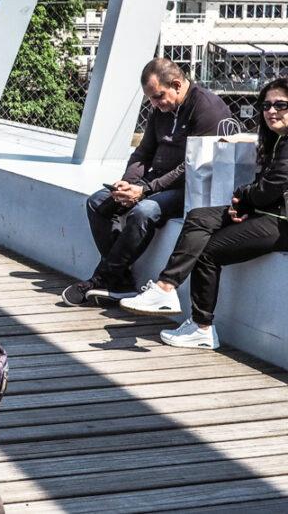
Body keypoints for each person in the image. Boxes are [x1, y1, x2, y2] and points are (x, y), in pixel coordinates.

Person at [118, 78, 288, 348]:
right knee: (198, 215)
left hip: (281, 224)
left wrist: (244, 198)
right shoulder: (277, 140)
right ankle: (166, 288)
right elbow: (268, 190)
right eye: (266, 105)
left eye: (280, 105)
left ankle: (202, 328)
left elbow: (272, 187)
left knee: (208, 252)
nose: (271, 111)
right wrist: (245, 203)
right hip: (267, 212)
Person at [62, 58, 232, 307]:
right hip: (157, 181)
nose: (154, 104)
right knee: (98, 202)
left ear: (176, 84)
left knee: (145, 210)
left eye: (158, 96)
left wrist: (144, 191)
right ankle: (120, 281)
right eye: (150, 99)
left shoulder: (207, 108)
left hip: (191, 187)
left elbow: (193, 166)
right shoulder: (160, 109)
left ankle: (102, 278)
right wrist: (126, 183)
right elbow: (143, 152)